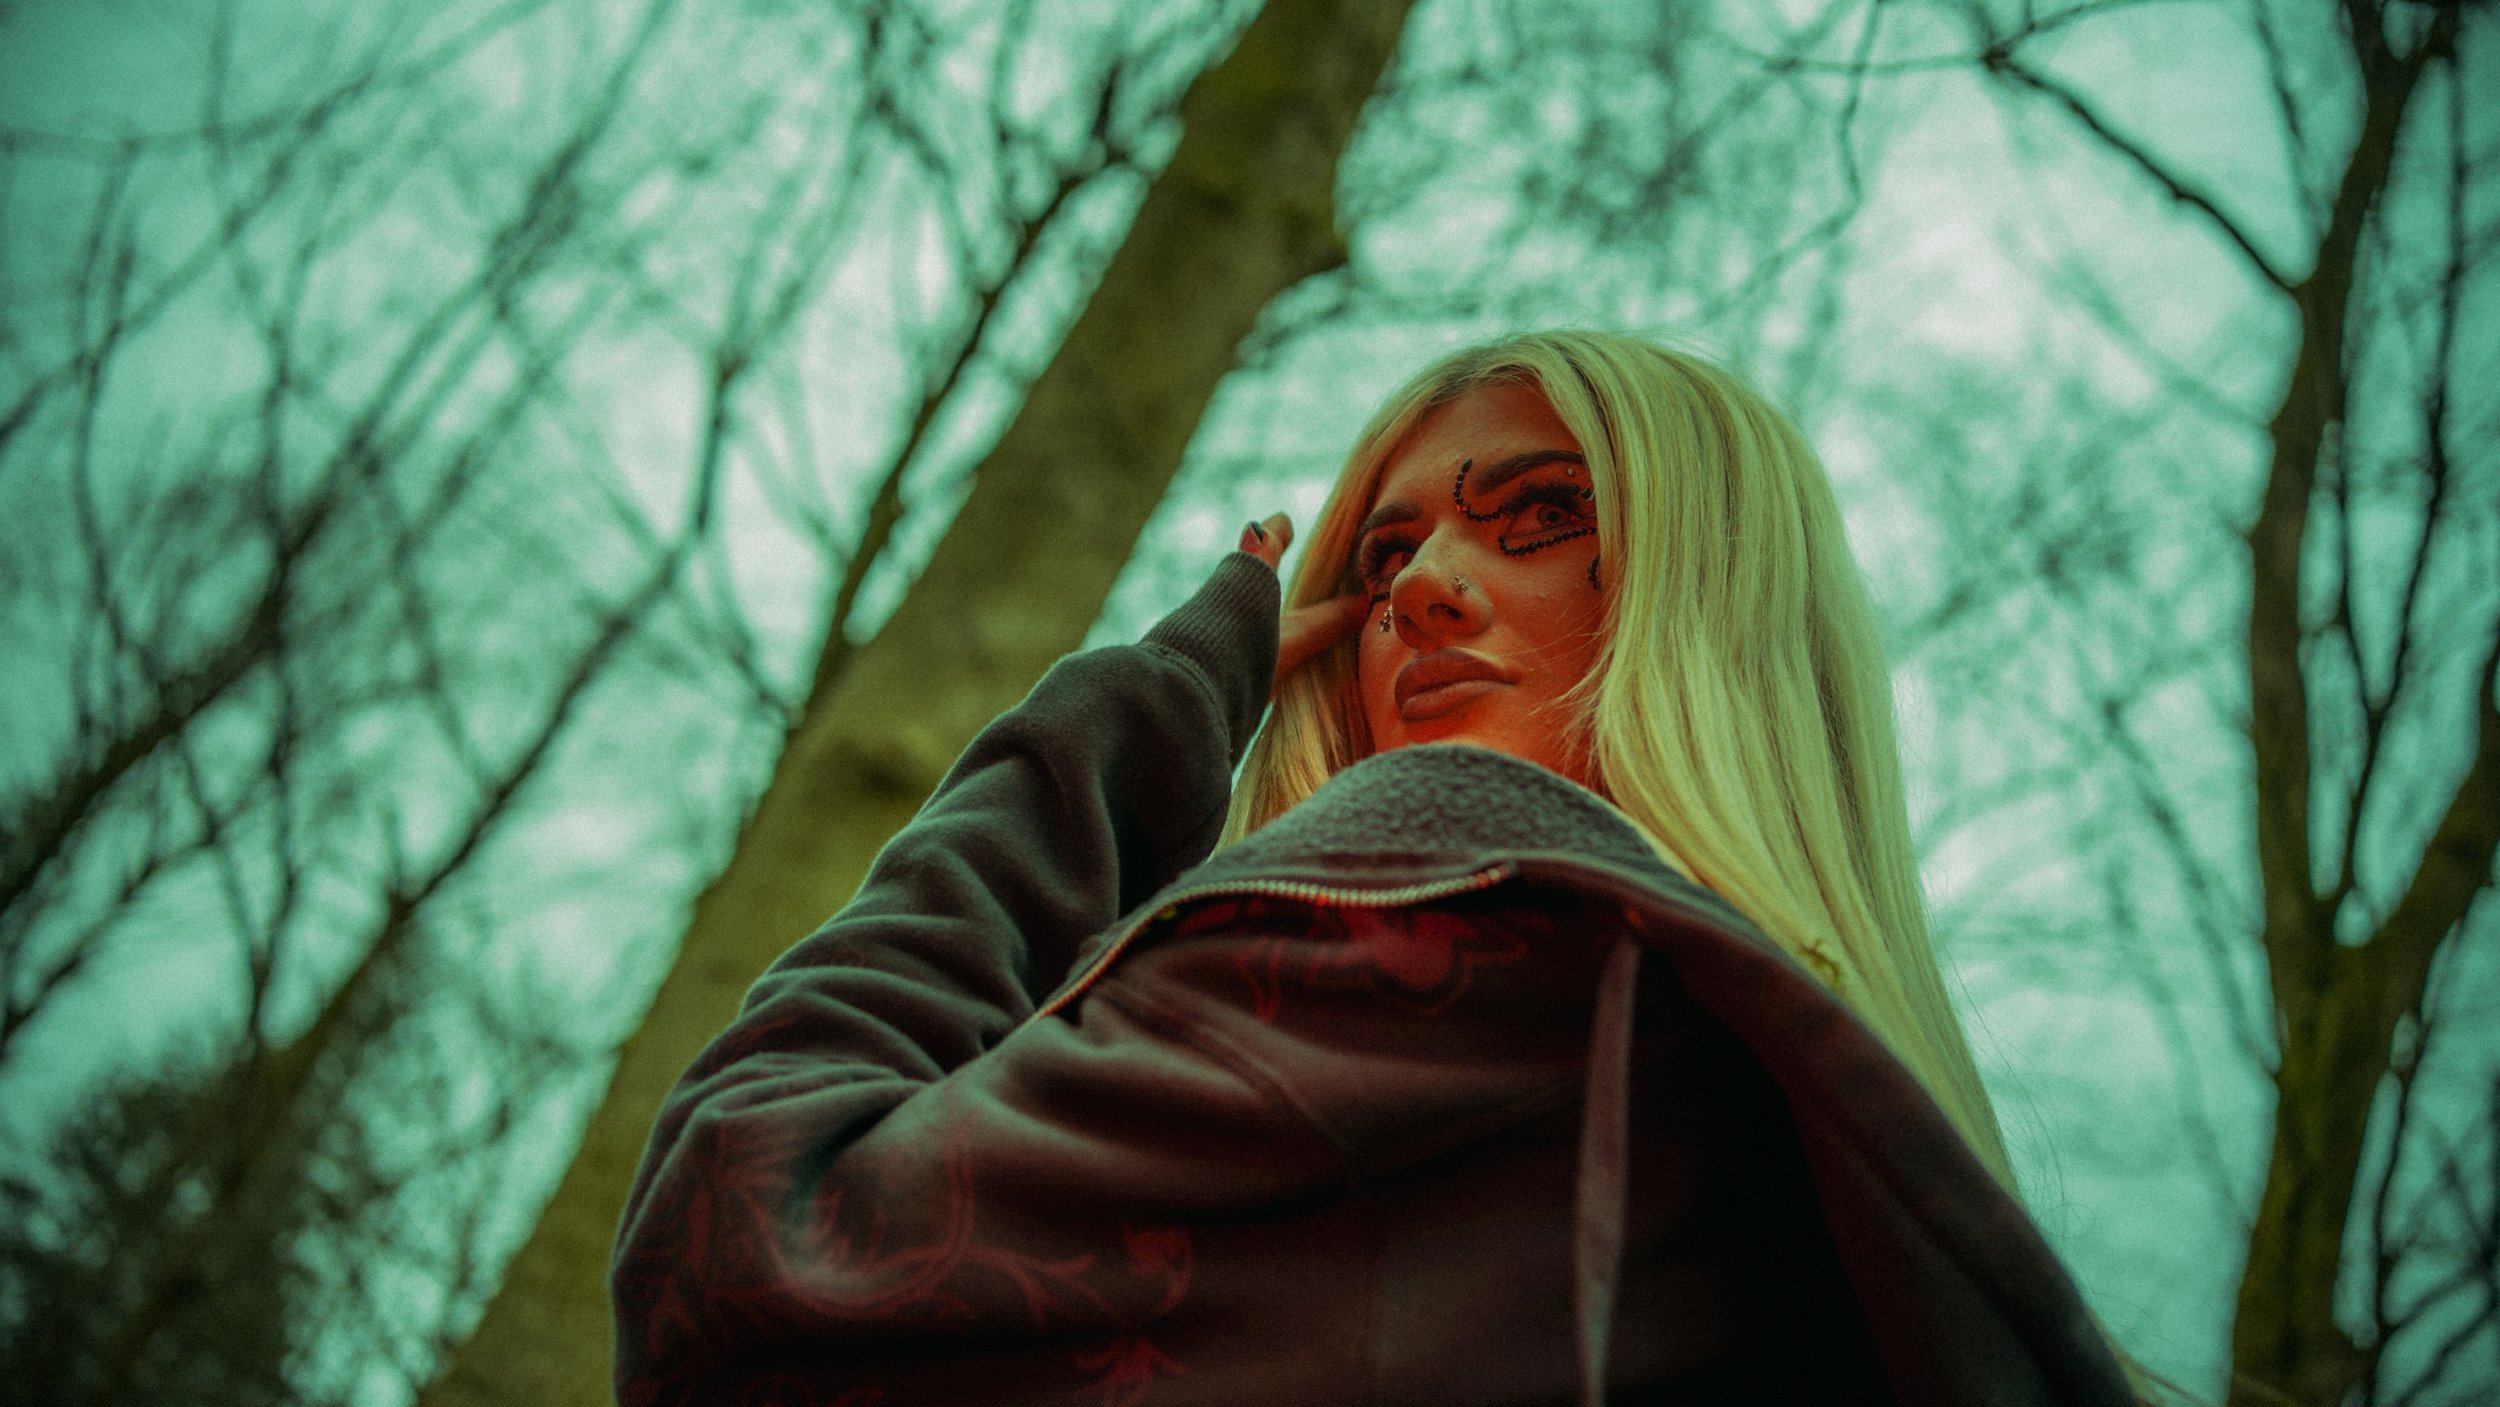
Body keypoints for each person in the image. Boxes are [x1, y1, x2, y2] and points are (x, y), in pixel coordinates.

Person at [610, 331, 2143, 1405]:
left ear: (1715, 591)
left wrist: (1123, 723)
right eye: (1385, 558)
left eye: (1541, 516)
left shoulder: (1432, 887)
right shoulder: (1873, 1180)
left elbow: (740, 1265)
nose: (1425, 592)